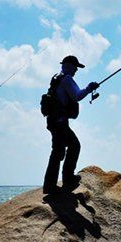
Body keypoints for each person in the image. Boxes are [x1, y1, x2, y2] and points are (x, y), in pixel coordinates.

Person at [43, 55, 99, 195]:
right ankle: (66, 179)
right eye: (76, 68)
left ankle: (52, 184)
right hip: (60, 121)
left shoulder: (56, 77)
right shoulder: (67, 79)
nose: (76, 71)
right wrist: (89, 87)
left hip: (53, 120)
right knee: (72, 146)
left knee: (59, 150)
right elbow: (76, 96)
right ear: (69, 66)